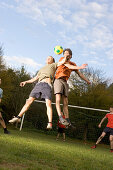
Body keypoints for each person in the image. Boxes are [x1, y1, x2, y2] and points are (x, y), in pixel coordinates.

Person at [9, 56, 86, 129]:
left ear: (53, 61)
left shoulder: (54, 65)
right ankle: (18, 117)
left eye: (50, 58)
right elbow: (35, 78)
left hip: (47, 85)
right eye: (47, 58)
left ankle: (49, 123)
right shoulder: (42, 69)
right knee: (29, 101)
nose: (48, 59)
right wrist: (25, 81)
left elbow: (62, 62)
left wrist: (65, 56)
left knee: (48, 104)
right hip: (38, 85)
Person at [54, 48, 90, 126]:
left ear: (70, 56)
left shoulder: (73, 64)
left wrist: (87, 80)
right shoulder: (62, 60)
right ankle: (60, 117)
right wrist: (80, 67)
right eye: (65, 53)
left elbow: (80, 74)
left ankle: (67, 120)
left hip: (65, 82)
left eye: (67, 53)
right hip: (58, 80)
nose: (66, 54)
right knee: (58, 99)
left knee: (66, 102)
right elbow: (68, 66)